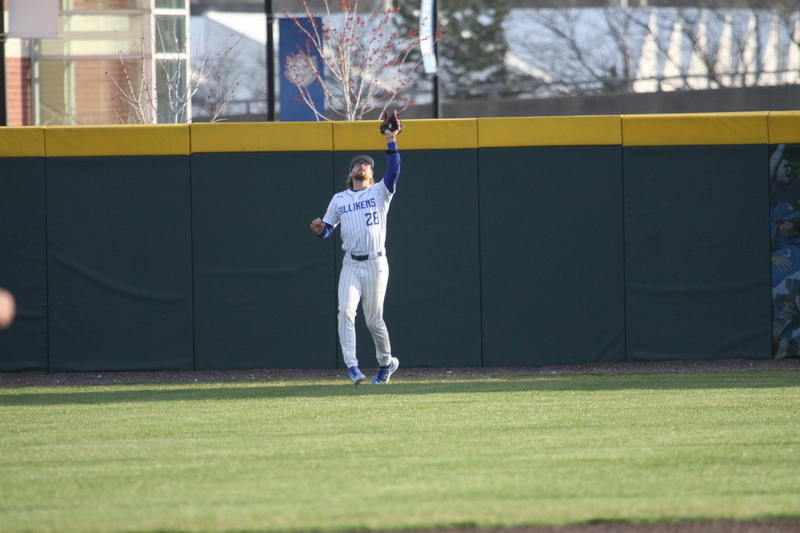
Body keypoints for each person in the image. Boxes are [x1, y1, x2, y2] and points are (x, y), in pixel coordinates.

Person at [310, 113, 402, 385]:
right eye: (358, 164)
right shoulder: (339, 198)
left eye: (367, 165)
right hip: (351, 263)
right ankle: (352, 366)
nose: (362, 166)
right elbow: (328, 229)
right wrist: (320, 230)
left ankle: (386, 363)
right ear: (350, 173)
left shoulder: (379, 192)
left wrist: (391, 139)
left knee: (374, 321)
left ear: (371, 174)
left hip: (375, 263)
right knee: (346, 312)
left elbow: (394, 170)